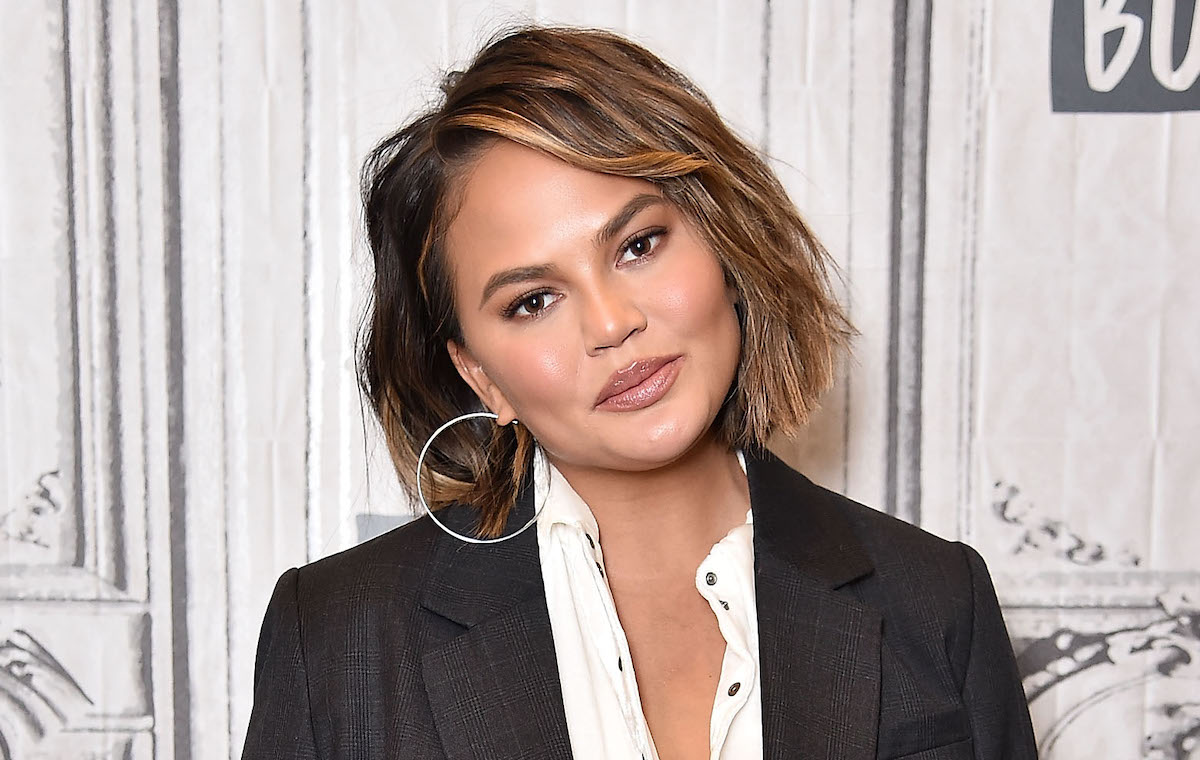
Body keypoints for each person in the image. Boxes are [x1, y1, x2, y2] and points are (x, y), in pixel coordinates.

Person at [241, 25, 1037, 760]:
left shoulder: (935, 601)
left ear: (724, 242)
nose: (612, 323)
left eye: (638, 245)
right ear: (480, 373)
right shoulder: (340, 639)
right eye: (533, 301)